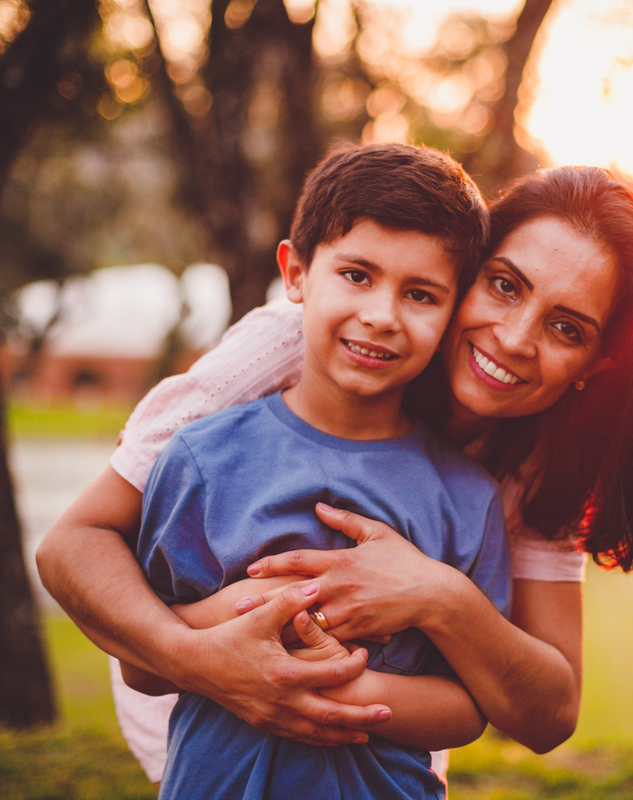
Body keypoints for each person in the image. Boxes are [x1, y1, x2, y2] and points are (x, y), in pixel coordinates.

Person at [36, 162, 633, 780]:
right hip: (209, 735)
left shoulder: (543, 462)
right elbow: (73, 546)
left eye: (566, 328)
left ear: (596, 365)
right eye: (505, 286)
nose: (514, 338)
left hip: (377, 761)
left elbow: (549, 713)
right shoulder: (303, 342)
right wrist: (200, 658)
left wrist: (439, 596)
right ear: (466, 274)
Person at [121, 142, 508, 799]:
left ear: (452, 315)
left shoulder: (466, 497)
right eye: (357, 275)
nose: (381, 315)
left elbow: (469, 710)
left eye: (420, 294)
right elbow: (141, 666)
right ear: (296, 273)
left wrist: (341, 685)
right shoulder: (202, 460)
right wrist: (262, 614)